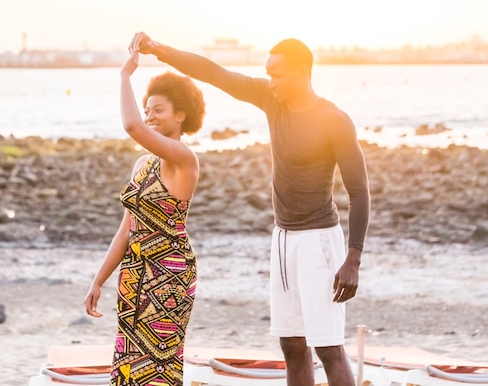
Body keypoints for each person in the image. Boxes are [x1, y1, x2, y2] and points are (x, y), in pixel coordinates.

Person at [129, 32, 370, 386]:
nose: (271, 81)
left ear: (303, 72)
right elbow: (213, 72)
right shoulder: (271, 100)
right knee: (292, 346)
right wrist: (159, 50)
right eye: (268, 74)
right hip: (282, 239)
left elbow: (359, 191)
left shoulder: (334, 119)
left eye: (279, 74)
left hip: (319, 242)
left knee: (328, 348)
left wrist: (353, 258)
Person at [84, 51, 206, 386]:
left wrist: (125, 75)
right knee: (128, 367)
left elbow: (131, 125)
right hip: (134, 273)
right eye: (148, 109)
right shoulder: (142, 164)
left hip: (168, 274)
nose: (150, 116)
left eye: (159, 110)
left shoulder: (184, 159)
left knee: (157, 369)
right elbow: (125, 230)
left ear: (180, 114)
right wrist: (99, 280)